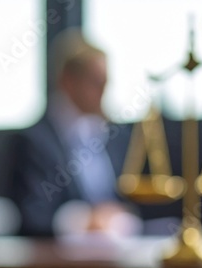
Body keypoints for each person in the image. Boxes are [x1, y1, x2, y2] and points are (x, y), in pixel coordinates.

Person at [8, 29, 141, 238]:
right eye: (96, 82)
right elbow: (32, 215)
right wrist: (85, 220)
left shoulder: (113, 138)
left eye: (106, 83)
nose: (103, 92)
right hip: (56, 264)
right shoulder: (32, 142)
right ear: (68, 81)